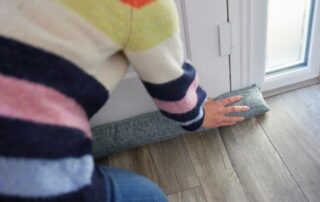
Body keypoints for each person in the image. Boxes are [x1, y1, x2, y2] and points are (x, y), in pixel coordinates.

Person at [0, 0, 249, 201]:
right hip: (30, 173)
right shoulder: (142, 5)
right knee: (148, 196)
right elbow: (172, 89)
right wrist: (200, 114)